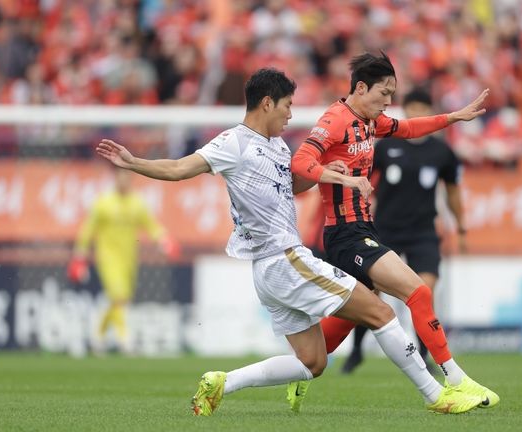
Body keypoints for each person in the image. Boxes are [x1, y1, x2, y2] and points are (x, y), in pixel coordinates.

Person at [95, 68, 483, 416]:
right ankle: (437, 395)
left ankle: (222, 382)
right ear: (267, 103)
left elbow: (290, 188)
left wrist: (324, 172)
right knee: (381, 313)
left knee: (313, 362)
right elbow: (180, 168)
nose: (291, 114)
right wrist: (136, 163)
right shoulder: (234, 142)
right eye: (287, 105)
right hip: (285, 258)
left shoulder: (279, 147)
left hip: (270, 270)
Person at [291, 52, 499, 409]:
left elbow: (409, 128)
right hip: (345, 234)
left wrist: (453, 118)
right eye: (384, 93)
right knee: (418, 293)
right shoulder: (334, 119)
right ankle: (456, 379)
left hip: (362, 229)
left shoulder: (370, 121)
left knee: (346, 321)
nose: (389, 102)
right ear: (361, 87)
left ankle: (298, 371)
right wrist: (339, 176)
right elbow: (300, 161)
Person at [340, 87, 467, 375]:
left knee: (424, 291)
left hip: (423, 231)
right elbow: (363, 179)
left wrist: (461, 226)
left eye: (423, 108)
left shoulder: (442, 153)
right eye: (413, 108)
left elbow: (453, 192)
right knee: (369, 293)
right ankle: (357, 350)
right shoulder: (386, 146)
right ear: (405, 111)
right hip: (385, 230)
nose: (417, 113)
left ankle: (424, 355)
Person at [67, 168, 178, 353]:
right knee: (119, 297)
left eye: (127, 178)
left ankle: (98, 336)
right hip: (107, 258)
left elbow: (151, 225)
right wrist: (79, 256)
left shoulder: (137, 203)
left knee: (120, 301)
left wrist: (165, 241)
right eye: (120, 177)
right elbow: (87, 230)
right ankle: (125, 340)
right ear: (115, 179)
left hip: (129, 259)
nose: (123, 181)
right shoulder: (103, 203)